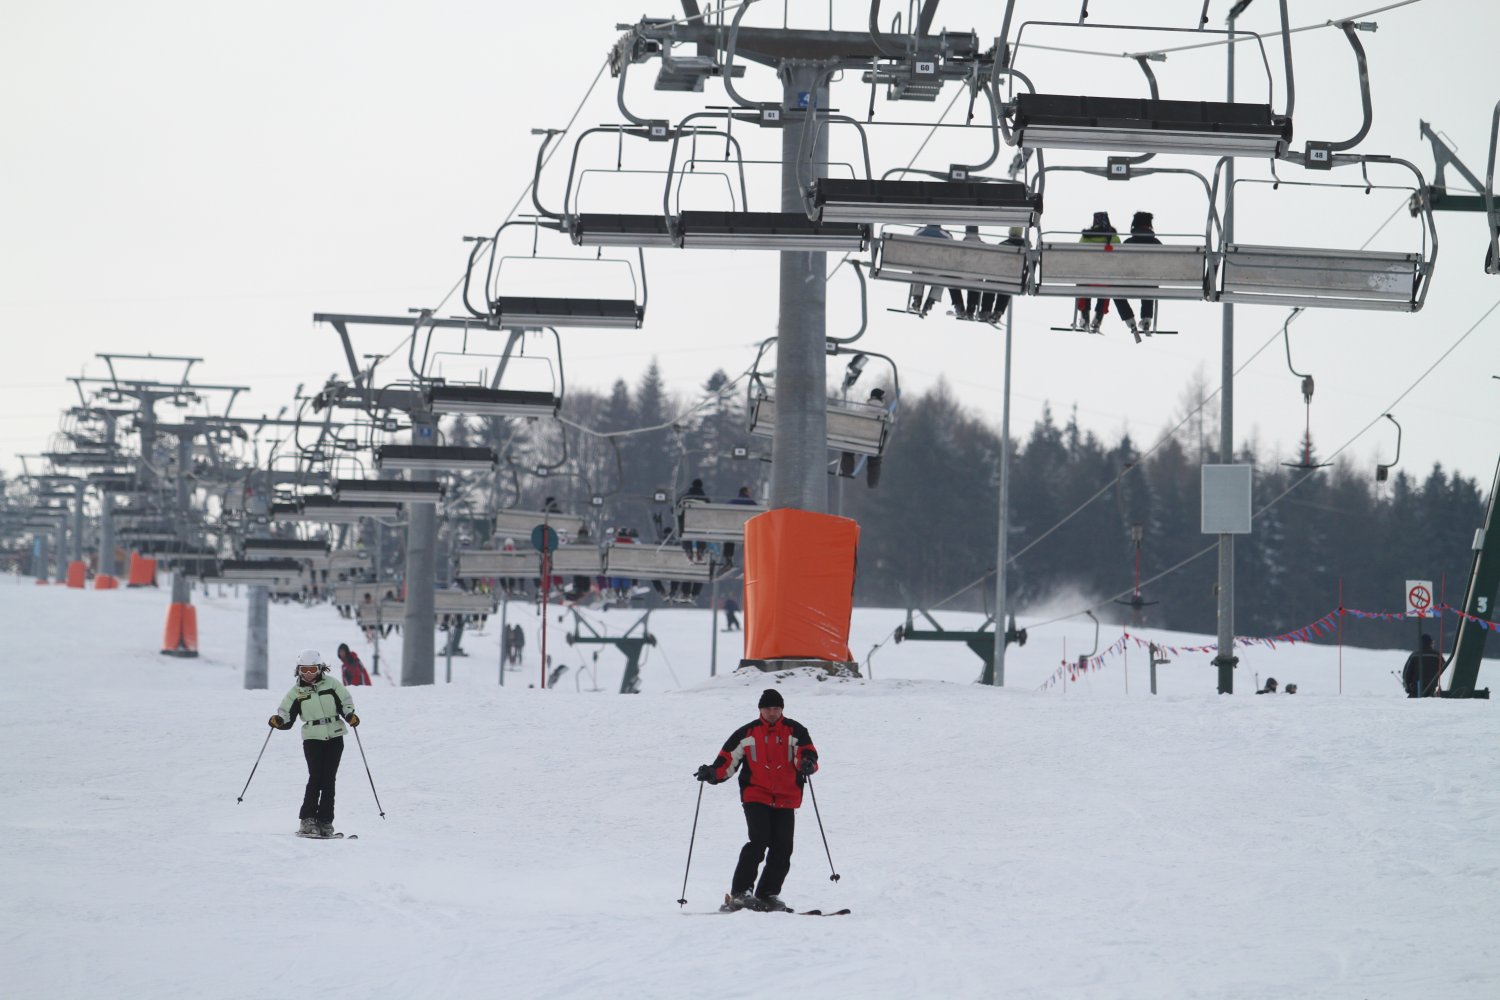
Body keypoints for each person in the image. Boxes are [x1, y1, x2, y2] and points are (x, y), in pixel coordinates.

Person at [694, 688, 818, 912]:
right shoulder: (747, 733)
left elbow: (807, 753)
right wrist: (712, 773)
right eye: (768, 708)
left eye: (776, 708)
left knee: (783, 847)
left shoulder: (795, 730)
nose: (772, 712)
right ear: (760, 709)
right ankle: (741, 893)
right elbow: (727, 761)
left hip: (786, 797)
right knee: (758, 841)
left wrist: (808, 764)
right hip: (756, 795)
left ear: (782, 709)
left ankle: (768, 893)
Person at [268, 649, 358, 838]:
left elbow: (345, 701)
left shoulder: (332, 684)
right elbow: (286, 713)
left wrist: (350, 714)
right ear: (299, 670)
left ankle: (325, 821)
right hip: (312, 738)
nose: (308, 674)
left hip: (335, 735)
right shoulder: (297, 692)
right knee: (315, 777)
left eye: (312, 669)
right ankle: (307, 820)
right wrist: (279, 720)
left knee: (329, 780)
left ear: (319, 668)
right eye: (304, 670)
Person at [1073, 211, 1119, 334]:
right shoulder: (1114, 238)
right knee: (1107, 282)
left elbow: (1078, 259)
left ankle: (1085, 316)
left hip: (1087, 280)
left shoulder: (1085, 238)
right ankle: (1098, 318)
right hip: (1105, 281)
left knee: (1084, 281)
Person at [907, 224, 965, 317]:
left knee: (917, 272)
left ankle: (917, 299)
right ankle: (930, 301)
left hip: (920, 269)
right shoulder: (947, 236)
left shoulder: (918, 232)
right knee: (943, 276)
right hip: (937, 270)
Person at [722, 486, 757, 566]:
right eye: (749, 492)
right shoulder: (751, 502)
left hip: (733, 528)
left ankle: (728, 557)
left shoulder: (732, 502)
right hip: (745, 528)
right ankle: (748, 557)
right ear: (745, 492)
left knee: (729, 540)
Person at [1402, 633, 1444, 698]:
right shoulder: (1437, 655)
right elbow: (1443, 666)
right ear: (1430, 643)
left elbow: (1407, 673)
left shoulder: (1414, 655)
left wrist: (1408, 687)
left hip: (1416, 690)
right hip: (1431, 689)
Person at [678, 478, 709, 563]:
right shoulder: (704, 499)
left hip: (685, 524)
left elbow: (676, 509)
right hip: (700, 523)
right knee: (701, 535)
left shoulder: (685, 497)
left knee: (686, 535)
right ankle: (700, 551)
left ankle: (688, 551)